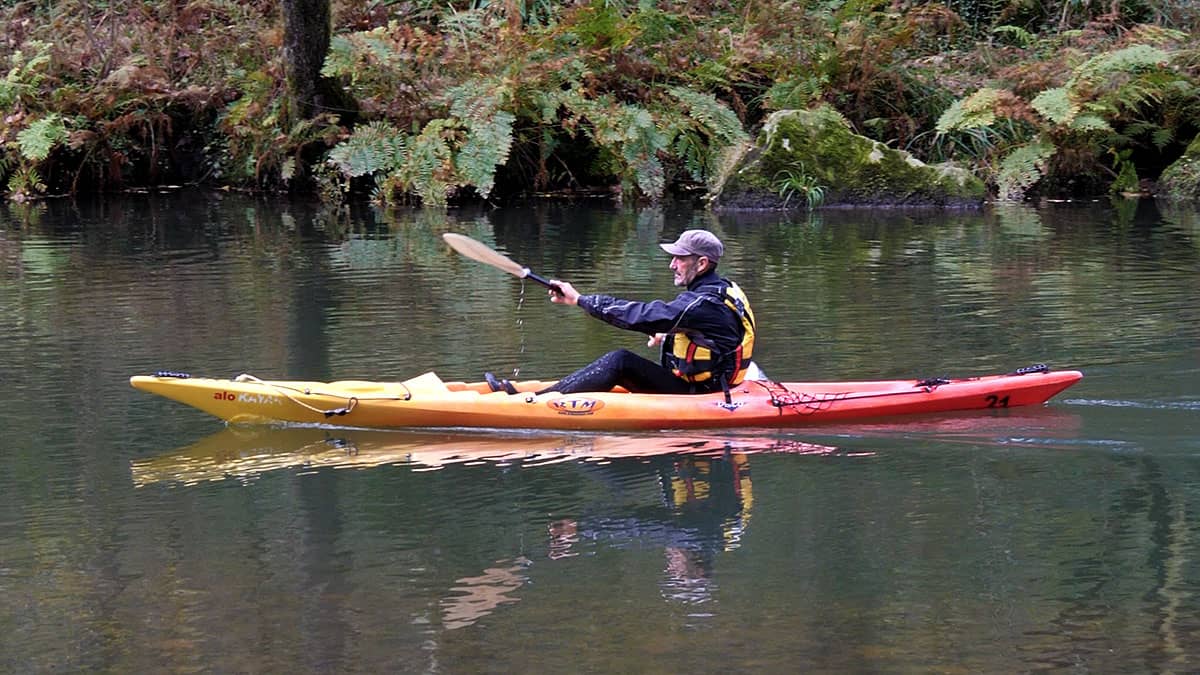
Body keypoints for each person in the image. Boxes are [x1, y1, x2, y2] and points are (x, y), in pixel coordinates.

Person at [518, 229, 757, 396]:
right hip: (710, 384)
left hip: (705, 394)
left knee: (620, 361)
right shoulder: (722, 288)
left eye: (680, 258)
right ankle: (542, 394)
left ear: (702, 263)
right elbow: (716, 332)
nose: (672, 265)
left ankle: (537, 401)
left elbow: (642, 315)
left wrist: (580, 299)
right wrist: (669, 334)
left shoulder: (704, 303)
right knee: (620, 361)